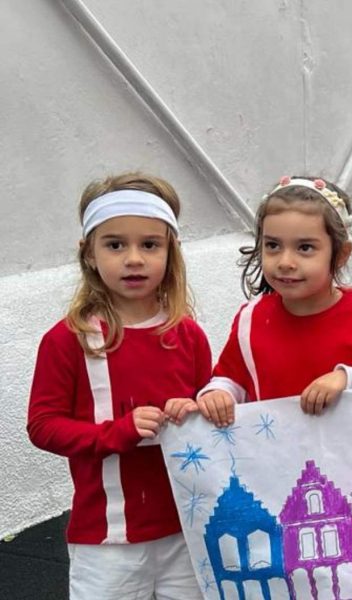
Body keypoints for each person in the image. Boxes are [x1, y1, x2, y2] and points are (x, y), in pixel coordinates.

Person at [28, 173, 207, 599]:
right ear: (88, 254)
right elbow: (43, 425)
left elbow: (209, 410)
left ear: (171, 252)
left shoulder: (189, 335)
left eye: (150, 244)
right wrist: (117, 432)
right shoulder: (67, 339)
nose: (134, 259)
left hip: (187, 528)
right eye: (115, 244)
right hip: (107, 541)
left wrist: (206, 408)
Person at [196, 176, 352, 426]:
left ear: (341, 254)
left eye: (305, 248)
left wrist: (348, 379)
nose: (285, 262)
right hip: (278, 457)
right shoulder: (251, 318)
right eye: (273, 245)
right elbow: (232, 378)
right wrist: (218, 395)